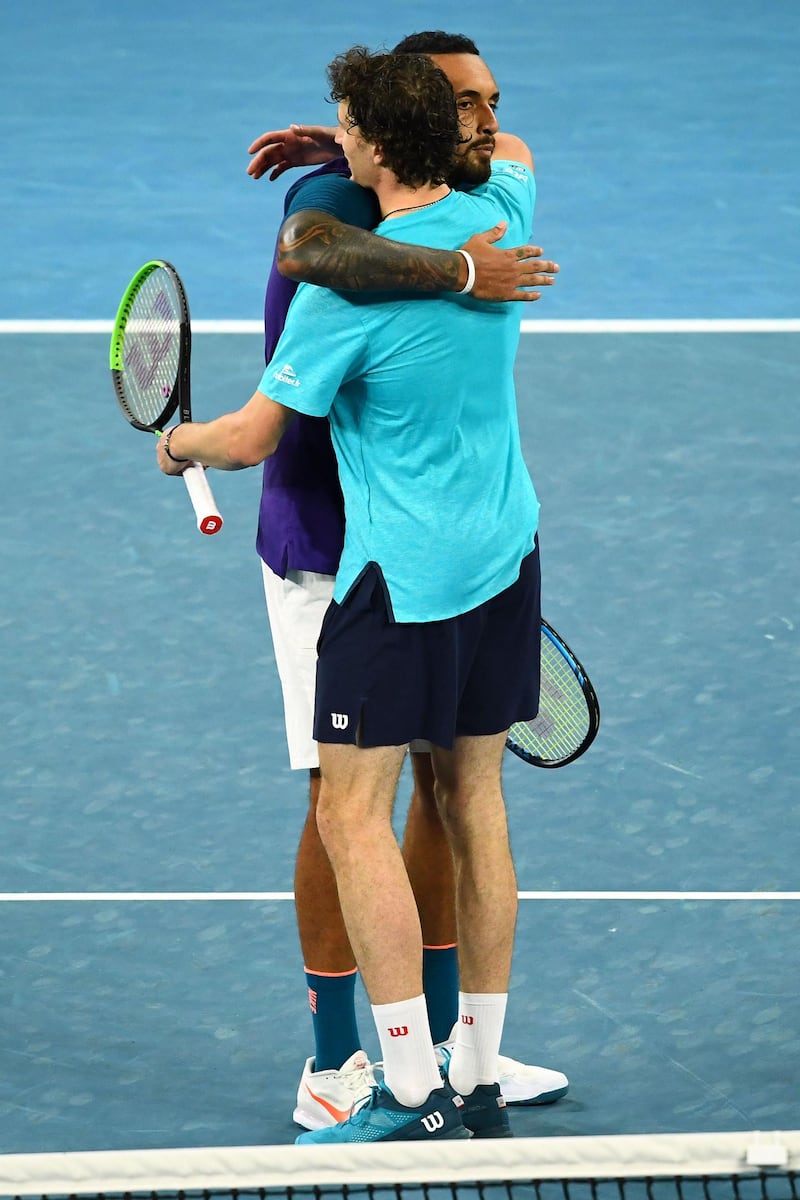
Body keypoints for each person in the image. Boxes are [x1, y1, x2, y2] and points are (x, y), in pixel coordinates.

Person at [157, 45, 546, 1143]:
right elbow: (336, 220)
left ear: (368, 137)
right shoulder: (499, 216)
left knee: (348, 813)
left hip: (394, 581)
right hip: (501, 557)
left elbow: (249, 433)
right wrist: (462, 264)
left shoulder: (343, 288)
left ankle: (410, 1087)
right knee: (474, 802)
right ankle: (449, 1067)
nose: (487, 121)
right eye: (463, 105)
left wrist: (176, 442)